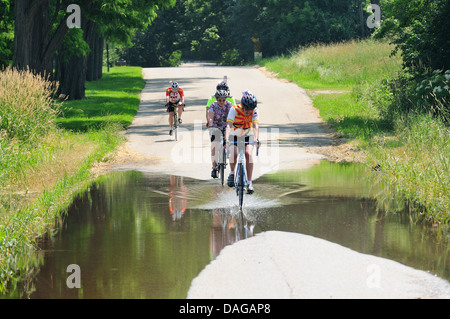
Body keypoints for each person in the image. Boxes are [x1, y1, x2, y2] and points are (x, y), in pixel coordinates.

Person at [224, 90, 260, 194]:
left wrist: (257, 139)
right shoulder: (234, 109)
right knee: (234, 153)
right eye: (246, 109)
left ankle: (249, 182)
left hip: (248, 134)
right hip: (234, 134)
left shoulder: (255, 110)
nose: (248, 111)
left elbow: (255, 126)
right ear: (242, 106)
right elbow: (228, 126)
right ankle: (231, 173)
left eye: (250, 109)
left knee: (248, 153)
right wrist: (226, 139)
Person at [208, 89, 233, 178]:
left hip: (226, 127)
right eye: (219, 100)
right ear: (216, 99)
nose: (222, 102)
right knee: (214, 147)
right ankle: (214, 168)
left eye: (223, 100)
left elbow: (233, 117)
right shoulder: (213, 105)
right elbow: (210, 118)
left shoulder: (229, 105)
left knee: (232, 144)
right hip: (216, 127)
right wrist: (211, 126)